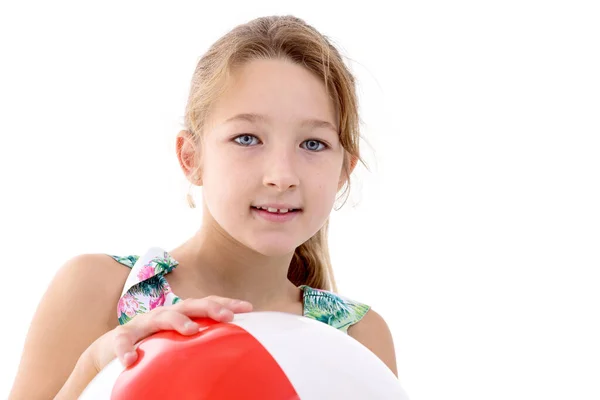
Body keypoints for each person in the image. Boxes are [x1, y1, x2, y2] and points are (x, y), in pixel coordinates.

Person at [9, 15, 398, 399]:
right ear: (191, 157)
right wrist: (94, 366)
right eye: (247, 138)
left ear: (343, 171)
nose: (282, 176)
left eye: (313, 144)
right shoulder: (97, 288)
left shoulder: (359, 336)